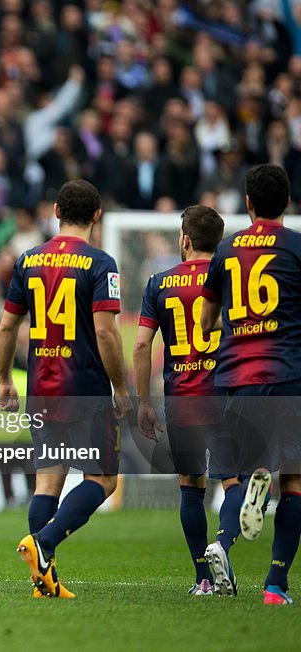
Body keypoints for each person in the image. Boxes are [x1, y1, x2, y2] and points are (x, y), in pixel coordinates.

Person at [0, 179, 131, 599]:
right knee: (103, 479)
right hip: (85, 387)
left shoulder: (28, 260)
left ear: (56, 211)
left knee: (48, 482)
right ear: (97, 215)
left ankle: (43, 581)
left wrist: (3, 379)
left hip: (41, 385)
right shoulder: (100, 263)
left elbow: (7, 326)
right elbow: (107, 335)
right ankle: (44, 542)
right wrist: (121, 387)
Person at [200, 164, 301, 606]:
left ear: (247, 203)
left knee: (237, 475)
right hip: (288, 375)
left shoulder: (225, 250)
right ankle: (275, 587)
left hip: (236, 377)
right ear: (289, 202)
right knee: (295, 481)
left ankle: (231, 528)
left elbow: (206, 320)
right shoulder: (297, 248)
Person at [134, 205, 239, 596]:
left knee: (191, 485)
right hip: (225, 392)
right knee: (234, 481)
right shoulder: (231, 279)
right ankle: (223, 545)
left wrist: (144, 402)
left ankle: (204, 579)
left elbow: (142, 344)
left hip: (181, 396)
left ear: (185, 239)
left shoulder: (159, 282)